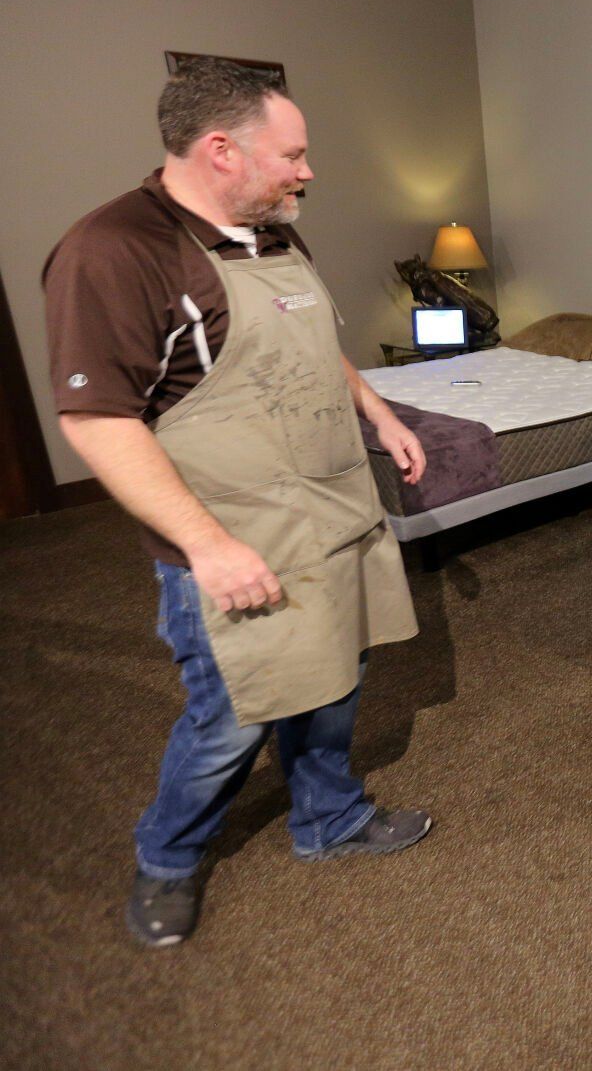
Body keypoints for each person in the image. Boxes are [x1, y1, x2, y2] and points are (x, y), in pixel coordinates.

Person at [43, 57, 434, 948]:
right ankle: (168, 857)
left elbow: (310, 347)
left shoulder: (277, 229)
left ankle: (328, 817)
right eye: (292, 154)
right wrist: (209, 547)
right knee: (232, 715)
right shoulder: (114, 251)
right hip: (230, 537)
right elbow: (98, 421)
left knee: (336, 677)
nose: (307, 171)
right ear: (221, 149)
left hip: (329, 510)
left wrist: (378, 413)